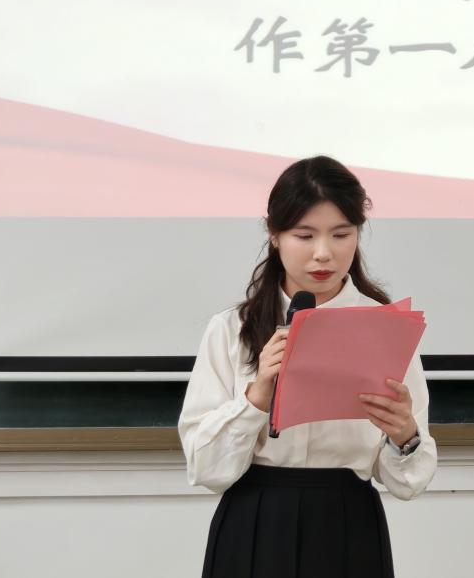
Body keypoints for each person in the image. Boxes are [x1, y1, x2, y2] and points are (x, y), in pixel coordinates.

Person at [178, 156, 437, 578]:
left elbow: (409, 483)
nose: (323, 253)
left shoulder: (387, 328)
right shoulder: (231, 329)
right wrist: (256, 396)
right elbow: (206, 469)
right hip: (254, 521)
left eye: (341, 235)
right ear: (274, 234)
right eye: (304, 235)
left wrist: (404, 435)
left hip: (348, 524)